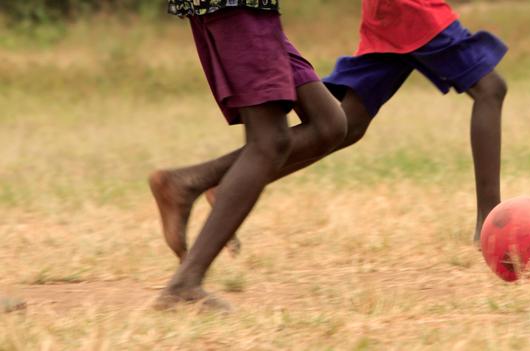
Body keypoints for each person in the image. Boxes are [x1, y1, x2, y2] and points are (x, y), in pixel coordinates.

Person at [206, 0, 508, 247]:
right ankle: (491, 222)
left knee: (348, 125)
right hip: (409, 9)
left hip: (391, 11)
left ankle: (226, 183)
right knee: (490, 89)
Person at [150, 0, 347, 309]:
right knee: (269, 142)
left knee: (329, 125)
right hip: (240, 8)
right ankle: (184, 284)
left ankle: (186, 183)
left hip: (250, 9)